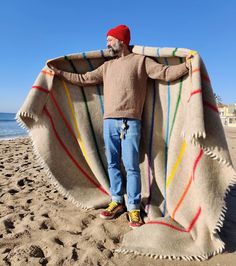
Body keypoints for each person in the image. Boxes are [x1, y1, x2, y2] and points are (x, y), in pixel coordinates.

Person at [48, 25, 192, 229]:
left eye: (110, 39)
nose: (106, 43)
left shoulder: (141, 61)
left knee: (132, 167)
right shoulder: (107, 66)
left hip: (131, 123)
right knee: (112, 164)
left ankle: (133, 207)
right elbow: (83, 79)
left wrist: (187, 66)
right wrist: (59, 73)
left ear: (121, 41)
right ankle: (117, 201)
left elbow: (165, 73)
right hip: (108, 123)